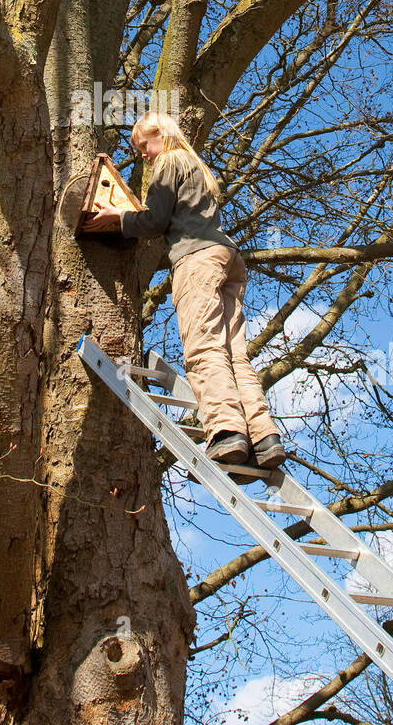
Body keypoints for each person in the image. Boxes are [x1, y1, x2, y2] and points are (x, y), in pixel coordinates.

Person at [82, 112, 286, 471]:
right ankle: (264, 436)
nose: (142, 154)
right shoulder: (196, 165)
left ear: (160, 135)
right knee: (234, 353)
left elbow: (154, 220)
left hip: (197, 261)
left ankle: (227, 432)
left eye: (143, 146)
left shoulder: (168, 162)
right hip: (228, 258)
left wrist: (118, 217)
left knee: (203, 346)